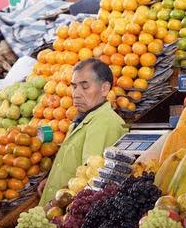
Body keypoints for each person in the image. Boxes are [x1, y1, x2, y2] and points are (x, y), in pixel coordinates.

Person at [39, 58, 127, 205]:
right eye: (74, 87)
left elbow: (89, 181)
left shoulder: (104, 123)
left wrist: (56, 203)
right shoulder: (83, 118)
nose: (76, 94)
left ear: (105, 89)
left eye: (85, 87)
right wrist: (52, 182)